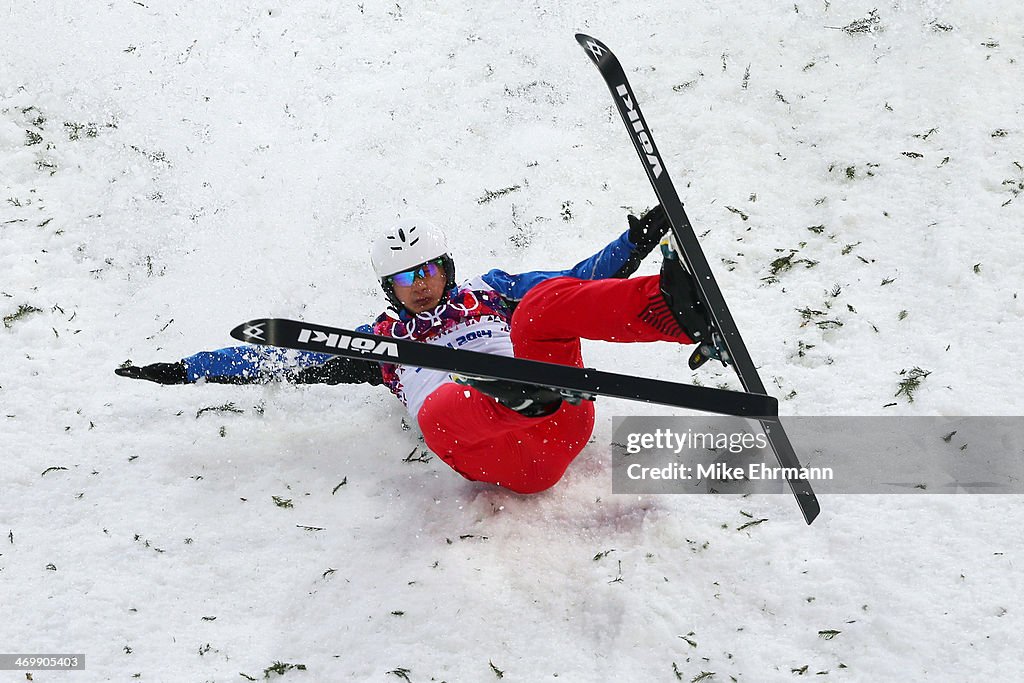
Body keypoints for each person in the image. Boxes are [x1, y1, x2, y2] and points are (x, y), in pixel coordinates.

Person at [117, 206, 722, 493]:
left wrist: (635, 239)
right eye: (408, 279)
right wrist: (185, 371)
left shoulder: (490, 293)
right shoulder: (381, 344)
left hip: (565, 415)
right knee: (441, 410)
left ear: (447, 266)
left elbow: (579, 281)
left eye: (431, 269)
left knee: (540, 308)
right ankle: (507, 394)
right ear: (390, 288)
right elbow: (280, 358)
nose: (423, 284)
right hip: (500, 457)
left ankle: (676, 312)